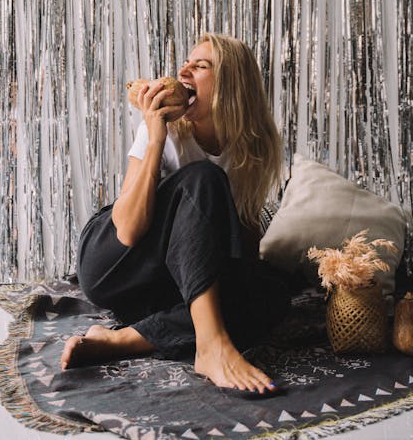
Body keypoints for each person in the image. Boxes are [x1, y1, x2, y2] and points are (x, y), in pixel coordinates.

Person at [61, 33, 290, 395]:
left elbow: (243, 251)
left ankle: (120, 341)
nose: (183, 70)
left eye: (200, 66)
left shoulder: (254, 150)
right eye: (186, 61)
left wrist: (243, 290)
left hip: (169, 283)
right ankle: (211, 345)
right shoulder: (164, 132)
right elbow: (129, 231)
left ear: (233, 84)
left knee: (272, 294)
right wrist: (154, 135)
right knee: (203, 178)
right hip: (114, 262)